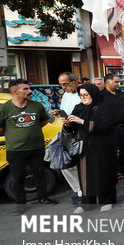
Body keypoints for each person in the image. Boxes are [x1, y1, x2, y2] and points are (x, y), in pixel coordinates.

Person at [0, 79, 58, 215]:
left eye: (29, 88)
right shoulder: (3, 109)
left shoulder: (36, 106)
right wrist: (12, 133)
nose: (30, 91)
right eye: (26, 89)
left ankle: (43, 198)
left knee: (39, 174)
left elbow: (44, 121)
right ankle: (21, 205)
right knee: (17, 177)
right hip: (16, 150)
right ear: (15, 92)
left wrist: (30, 130)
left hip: (36, 147)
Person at [61, 84, 117, 213]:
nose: (84, 98)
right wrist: (67, 124)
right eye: (81, 95)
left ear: (93, 94)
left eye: (86, 95)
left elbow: (105, 125)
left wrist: (82, 121)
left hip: (102, 147)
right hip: (84, 148)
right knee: (85, 175)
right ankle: (87, 203)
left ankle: (107, 200)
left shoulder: (104, 107)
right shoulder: (79, 107)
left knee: (102, 173)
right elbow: (72, 128)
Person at [52, 72, 83, 204]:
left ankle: (84, 191)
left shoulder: (83, 93)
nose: (63, 87)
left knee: (81, 163)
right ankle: (79, 190)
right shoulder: (66, 95)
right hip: (67, 131)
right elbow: (65, 110)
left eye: (65, 84)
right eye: (61, 85)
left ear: (75, 81)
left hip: (81, 132)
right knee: (65, 163)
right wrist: (58, 113)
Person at [101, 73, 124, 179]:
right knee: (113, 151)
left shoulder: (120, 93)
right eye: (116, 82)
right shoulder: (102, 96)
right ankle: (115, 171)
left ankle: (122, 167)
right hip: (111, 129)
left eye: (119, 81)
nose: (118, 84)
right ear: (108, 82)